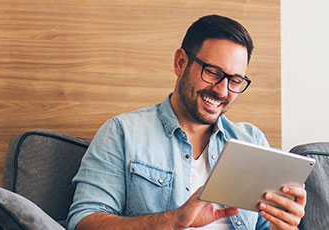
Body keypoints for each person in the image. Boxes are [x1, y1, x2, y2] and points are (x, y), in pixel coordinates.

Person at [67, 14, 306, 230]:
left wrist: (284, 226)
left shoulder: (252, 140)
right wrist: (172, 221)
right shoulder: (122, 133)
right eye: (212, 72)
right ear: (180, 63)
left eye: (234, 80)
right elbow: (83, 221)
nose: (222, 91)